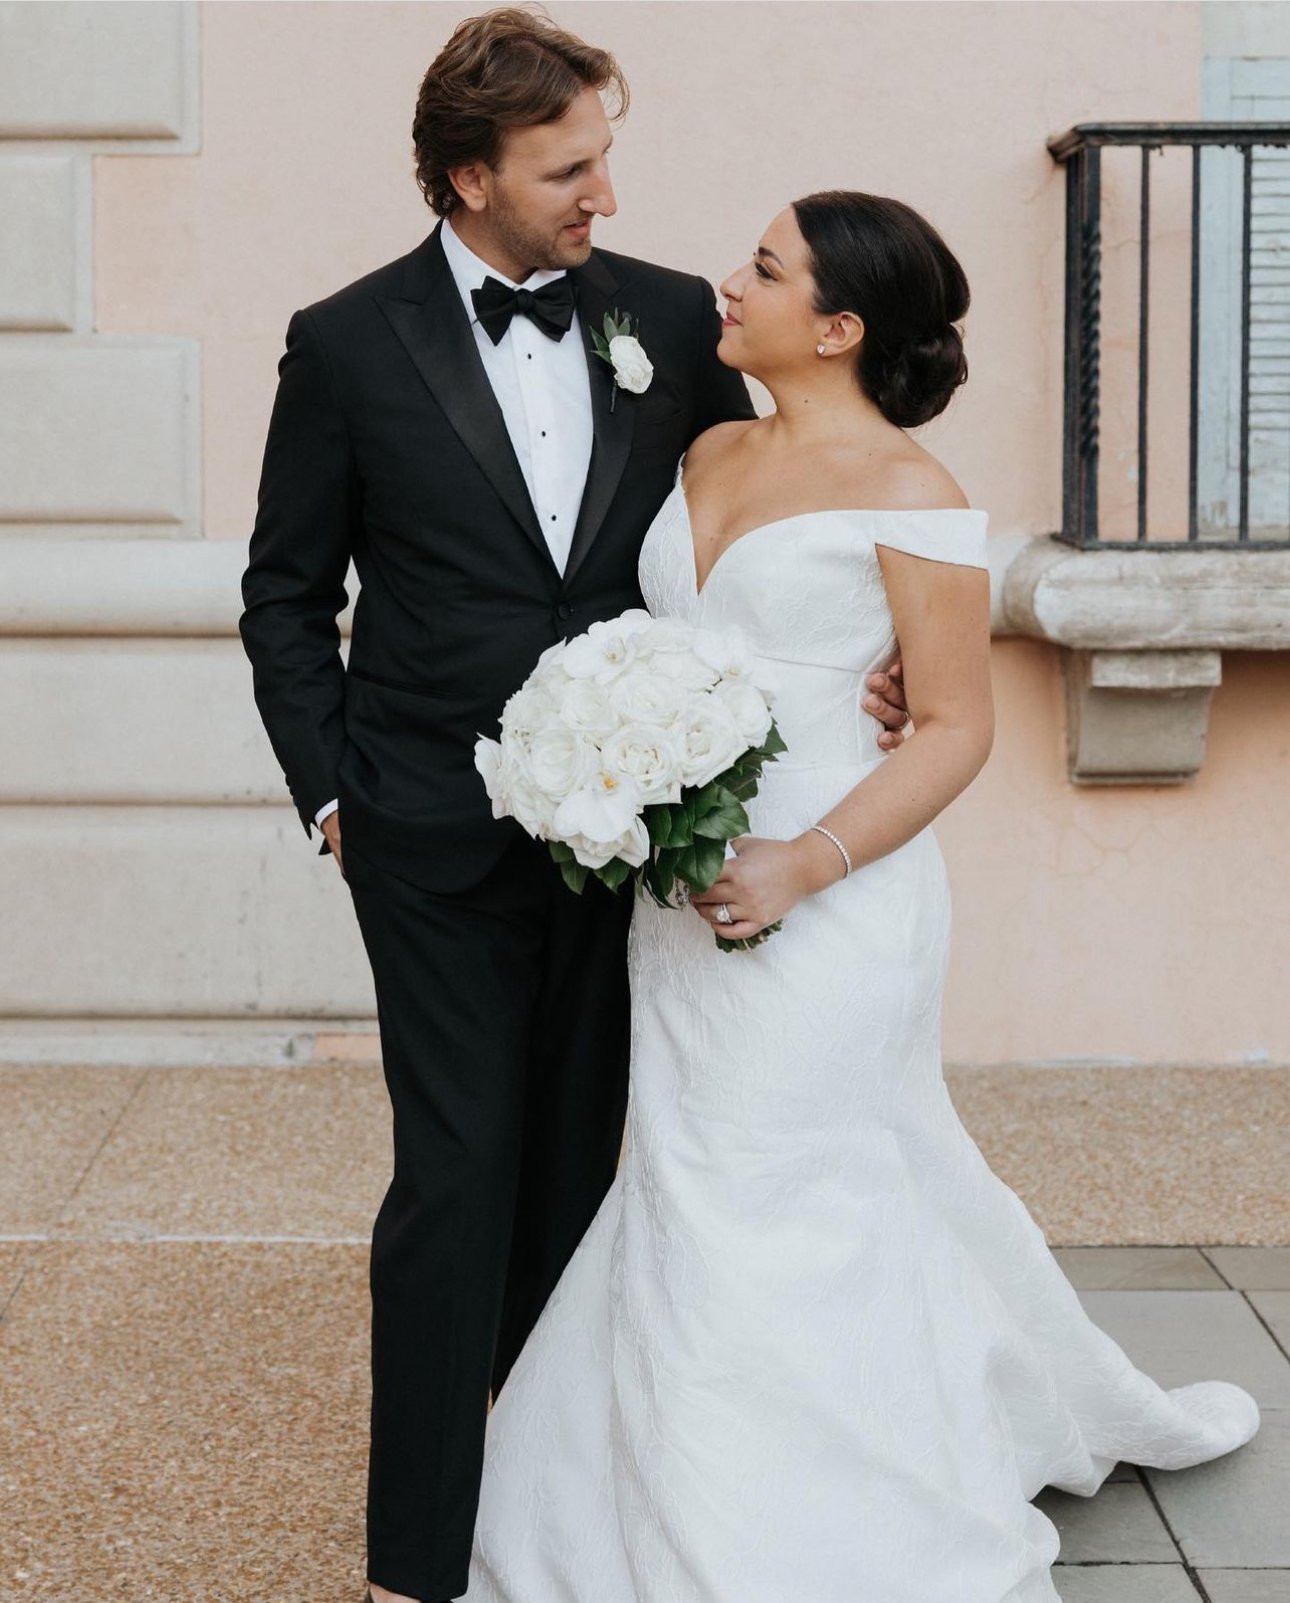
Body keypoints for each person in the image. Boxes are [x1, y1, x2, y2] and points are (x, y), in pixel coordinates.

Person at [463, 192, 1261, 1603]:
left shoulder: (914, 494)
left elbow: (951, 727)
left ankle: (782, 1528)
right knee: (693, 1173)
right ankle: (655, 1480)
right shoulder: (707, 446)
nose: (728, 282)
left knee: (774, 1182)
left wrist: (802, 860)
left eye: (764, 269)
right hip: (680, 892)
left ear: (835, 328)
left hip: (835, 889)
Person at [238, 14, 909, 1602]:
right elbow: (284, 595)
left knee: (580, 1180)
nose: (605, 192)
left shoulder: (671, 317)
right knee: (455, 1176)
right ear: (469, 176)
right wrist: (334, 798)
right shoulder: (344, 344)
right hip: (424, 829)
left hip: (637, 840)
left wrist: (873, 649)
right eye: (568, 169)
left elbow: (803, 480)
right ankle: (416, 1562)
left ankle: (551, 1527)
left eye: (603, 157)